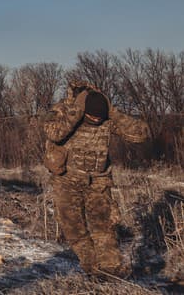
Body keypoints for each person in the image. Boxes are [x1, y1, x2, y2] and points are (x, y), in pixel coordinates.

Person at [43, 80, 150, 277]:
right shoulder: (63, 110)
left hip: (98, 181)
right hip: (67, 180)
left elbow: (141, 133)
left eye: (100, 118)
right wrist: (75, 112)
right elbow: (54, 133)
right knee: (73, 229)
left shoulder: (106, 115)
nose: (96, 120)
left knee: (104, 227)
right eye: (92, 116)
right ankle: (92, 268)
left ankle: (111, 272)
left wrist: (114, 112)